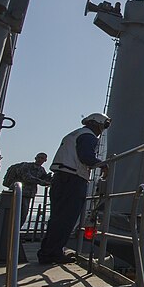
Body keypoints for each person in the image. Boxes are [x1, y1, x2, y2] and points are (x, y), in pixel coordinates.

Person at [37, 113, 110, 264]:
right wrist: (103, 164)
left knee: (57, 217)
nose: (101, 131)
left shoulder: (75, 134)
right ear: (97, 124)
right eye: (103, 126)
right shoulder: (88, 136)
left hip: (61, 178)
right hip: (73, 179)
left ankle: (48, 251)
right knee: (66, 217)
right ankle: (52, 253)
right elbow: (86, 157)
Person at [2, 153, 53, 226]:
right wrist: (42, 182)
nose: (40, 160)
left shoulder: (41, 170)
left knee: (23, 215)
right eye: (38, 157)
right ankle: (8, 231)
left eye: (42, 158)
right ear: (35, 158)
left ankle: (16, 231)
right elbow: (27, 177)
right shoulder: (26, 166)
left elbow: (44, 178)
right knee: (14, 213)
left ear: (45, 160)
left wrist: (49, 179)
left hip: (28, 195)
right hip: (18, 193)